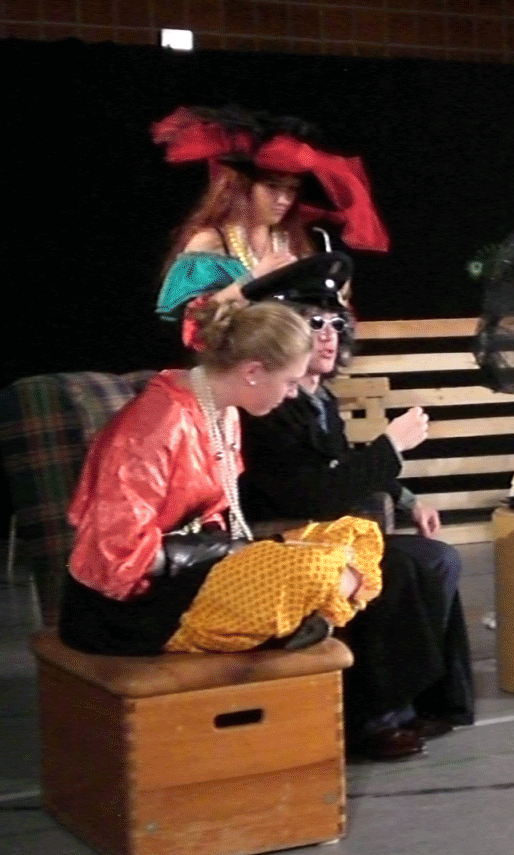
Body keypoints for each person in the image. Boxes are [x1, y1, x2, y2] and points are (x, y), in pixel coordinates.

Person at [238, 276, 475, 761]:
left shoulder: (320, 398)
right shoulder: (270, 403)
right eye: (314, 324)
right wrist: (391, 446)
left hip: (326, 526)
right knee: (396, 567)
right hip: (281, 531)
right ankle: (374, 718)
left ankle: (429, 700)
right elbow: (315, 492)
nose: (328, 336)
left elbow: (342, 463)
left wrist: (408, 499)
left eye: (335, 324)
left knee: (439, 559)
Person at [61, 300, 383, 658]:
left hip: (200, 572)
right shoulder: (154, 425)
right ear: (253, 371)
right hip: (136, 607)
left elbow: (216, 520)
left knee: (358, 534)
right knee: (316, 567)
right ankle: (308, 612)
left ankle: (305, 613)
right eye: (290, 382)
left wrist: (245, 555)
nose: (293, 394)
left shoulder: (225, 412)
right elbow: (113, 556)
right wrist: (235, 555)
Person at [151, 105, 388, 333]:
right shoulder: (212, 242)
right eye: (272, 187)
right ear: (243, 187)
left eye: (291, 189)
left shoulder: (294, 241)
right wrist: (253, 280)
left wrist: (333, 297)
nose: (284, 199)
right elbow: (195, 325)